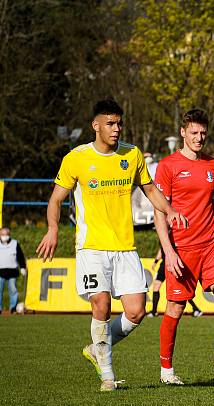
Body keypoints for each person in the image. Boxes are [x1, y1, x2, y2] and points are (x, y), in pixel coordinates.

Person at [36, 98, 187, 391]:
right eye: (110, 124)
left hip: (125, 247)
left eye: (119, 123)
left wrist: (169, 210)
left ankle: (97, 347)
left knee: (136, 311)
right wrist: (53, 229)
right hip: (91, 247)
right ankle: (107, 375)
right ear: (96, 126)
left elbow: (150, 189)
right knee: (101, 303)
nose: (117, 129)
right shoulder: (76, 158)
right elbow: (55, 199)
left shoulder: (131, 155)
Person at [153, 108, 214, 386]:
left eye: (203, 133)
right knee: (175, 309)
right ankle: (167, 370)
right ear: (183, 133)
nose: (199, 137)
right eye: (194, 132)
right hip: (182, 249)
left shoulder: (212, 165)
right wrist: (168, 252)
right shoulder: (168, 166)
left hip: (211, 245)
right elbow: (159, 212)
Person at [145, 245, 205, 318]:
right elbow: (161, 248)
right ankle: (154, 311)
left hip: (173, 264)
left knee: (180, 290)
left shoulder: (174, 235)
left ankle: (196, 309)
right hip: (164, 264)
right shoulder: (163, 235)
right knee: (156, 286)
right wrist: (156, 261)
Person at [0, 227, 26, 313]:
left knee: (13, 289)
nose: (4, 236)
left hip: (12, 271)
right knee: (0, 290)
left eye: (6, 234)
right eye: (2, 234)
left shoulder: (15, 243)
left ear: (9, 235)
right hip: (1, 271)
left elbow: (20, 256)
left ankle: (13, 308)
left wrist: (22, 267)